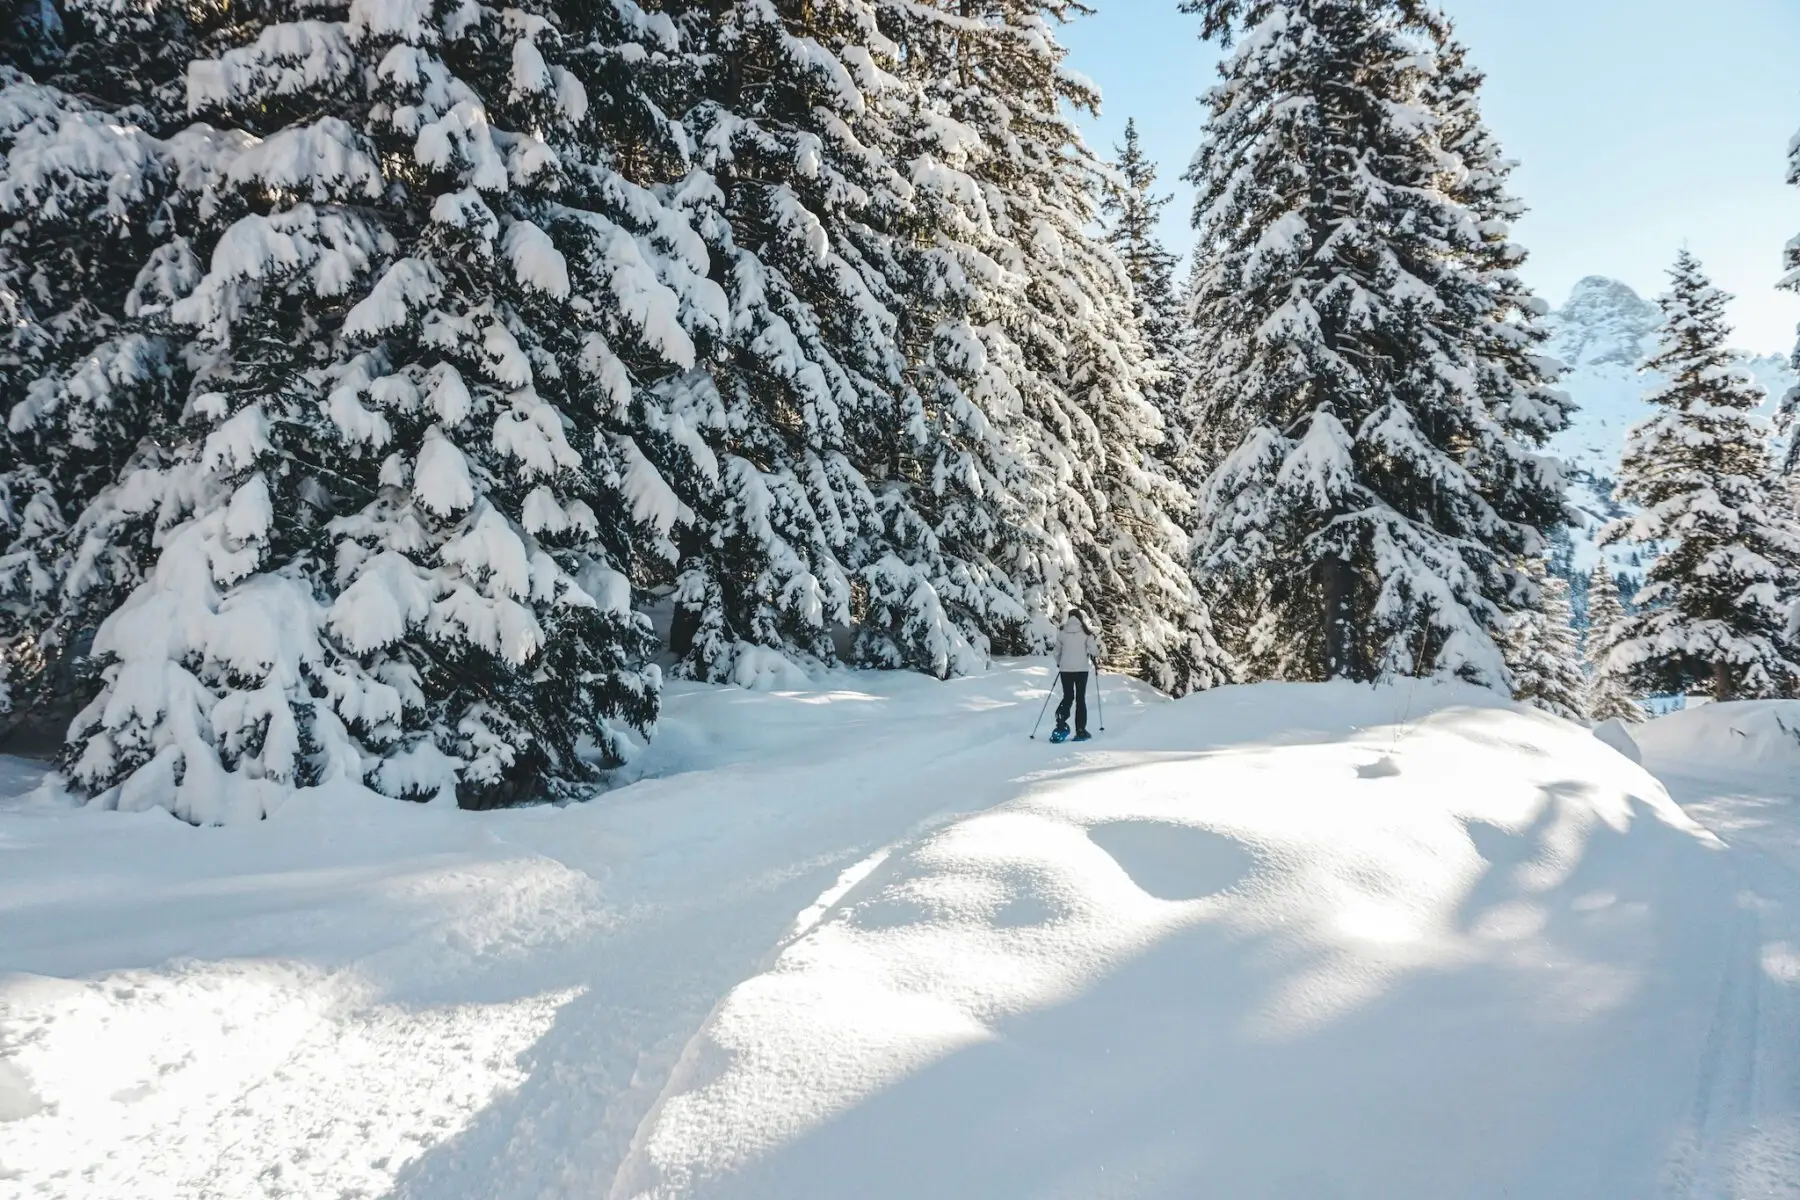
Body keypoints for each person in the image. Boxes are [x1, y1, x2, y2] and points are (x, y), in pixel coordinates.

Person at [1053, 607, 1102, 741]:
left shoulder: (1062, 632)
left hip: (1065, 670)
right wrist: (1097, 653)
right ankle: (1080, 731)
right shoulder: (1086, 633)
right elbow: (1093, 651)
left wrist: (1060, 663)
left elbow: (1056, 652)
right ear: (1080, 618)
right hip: (1081, 670)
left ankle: (1061, 722)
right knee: (1080, 699)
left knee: (1068, 697)